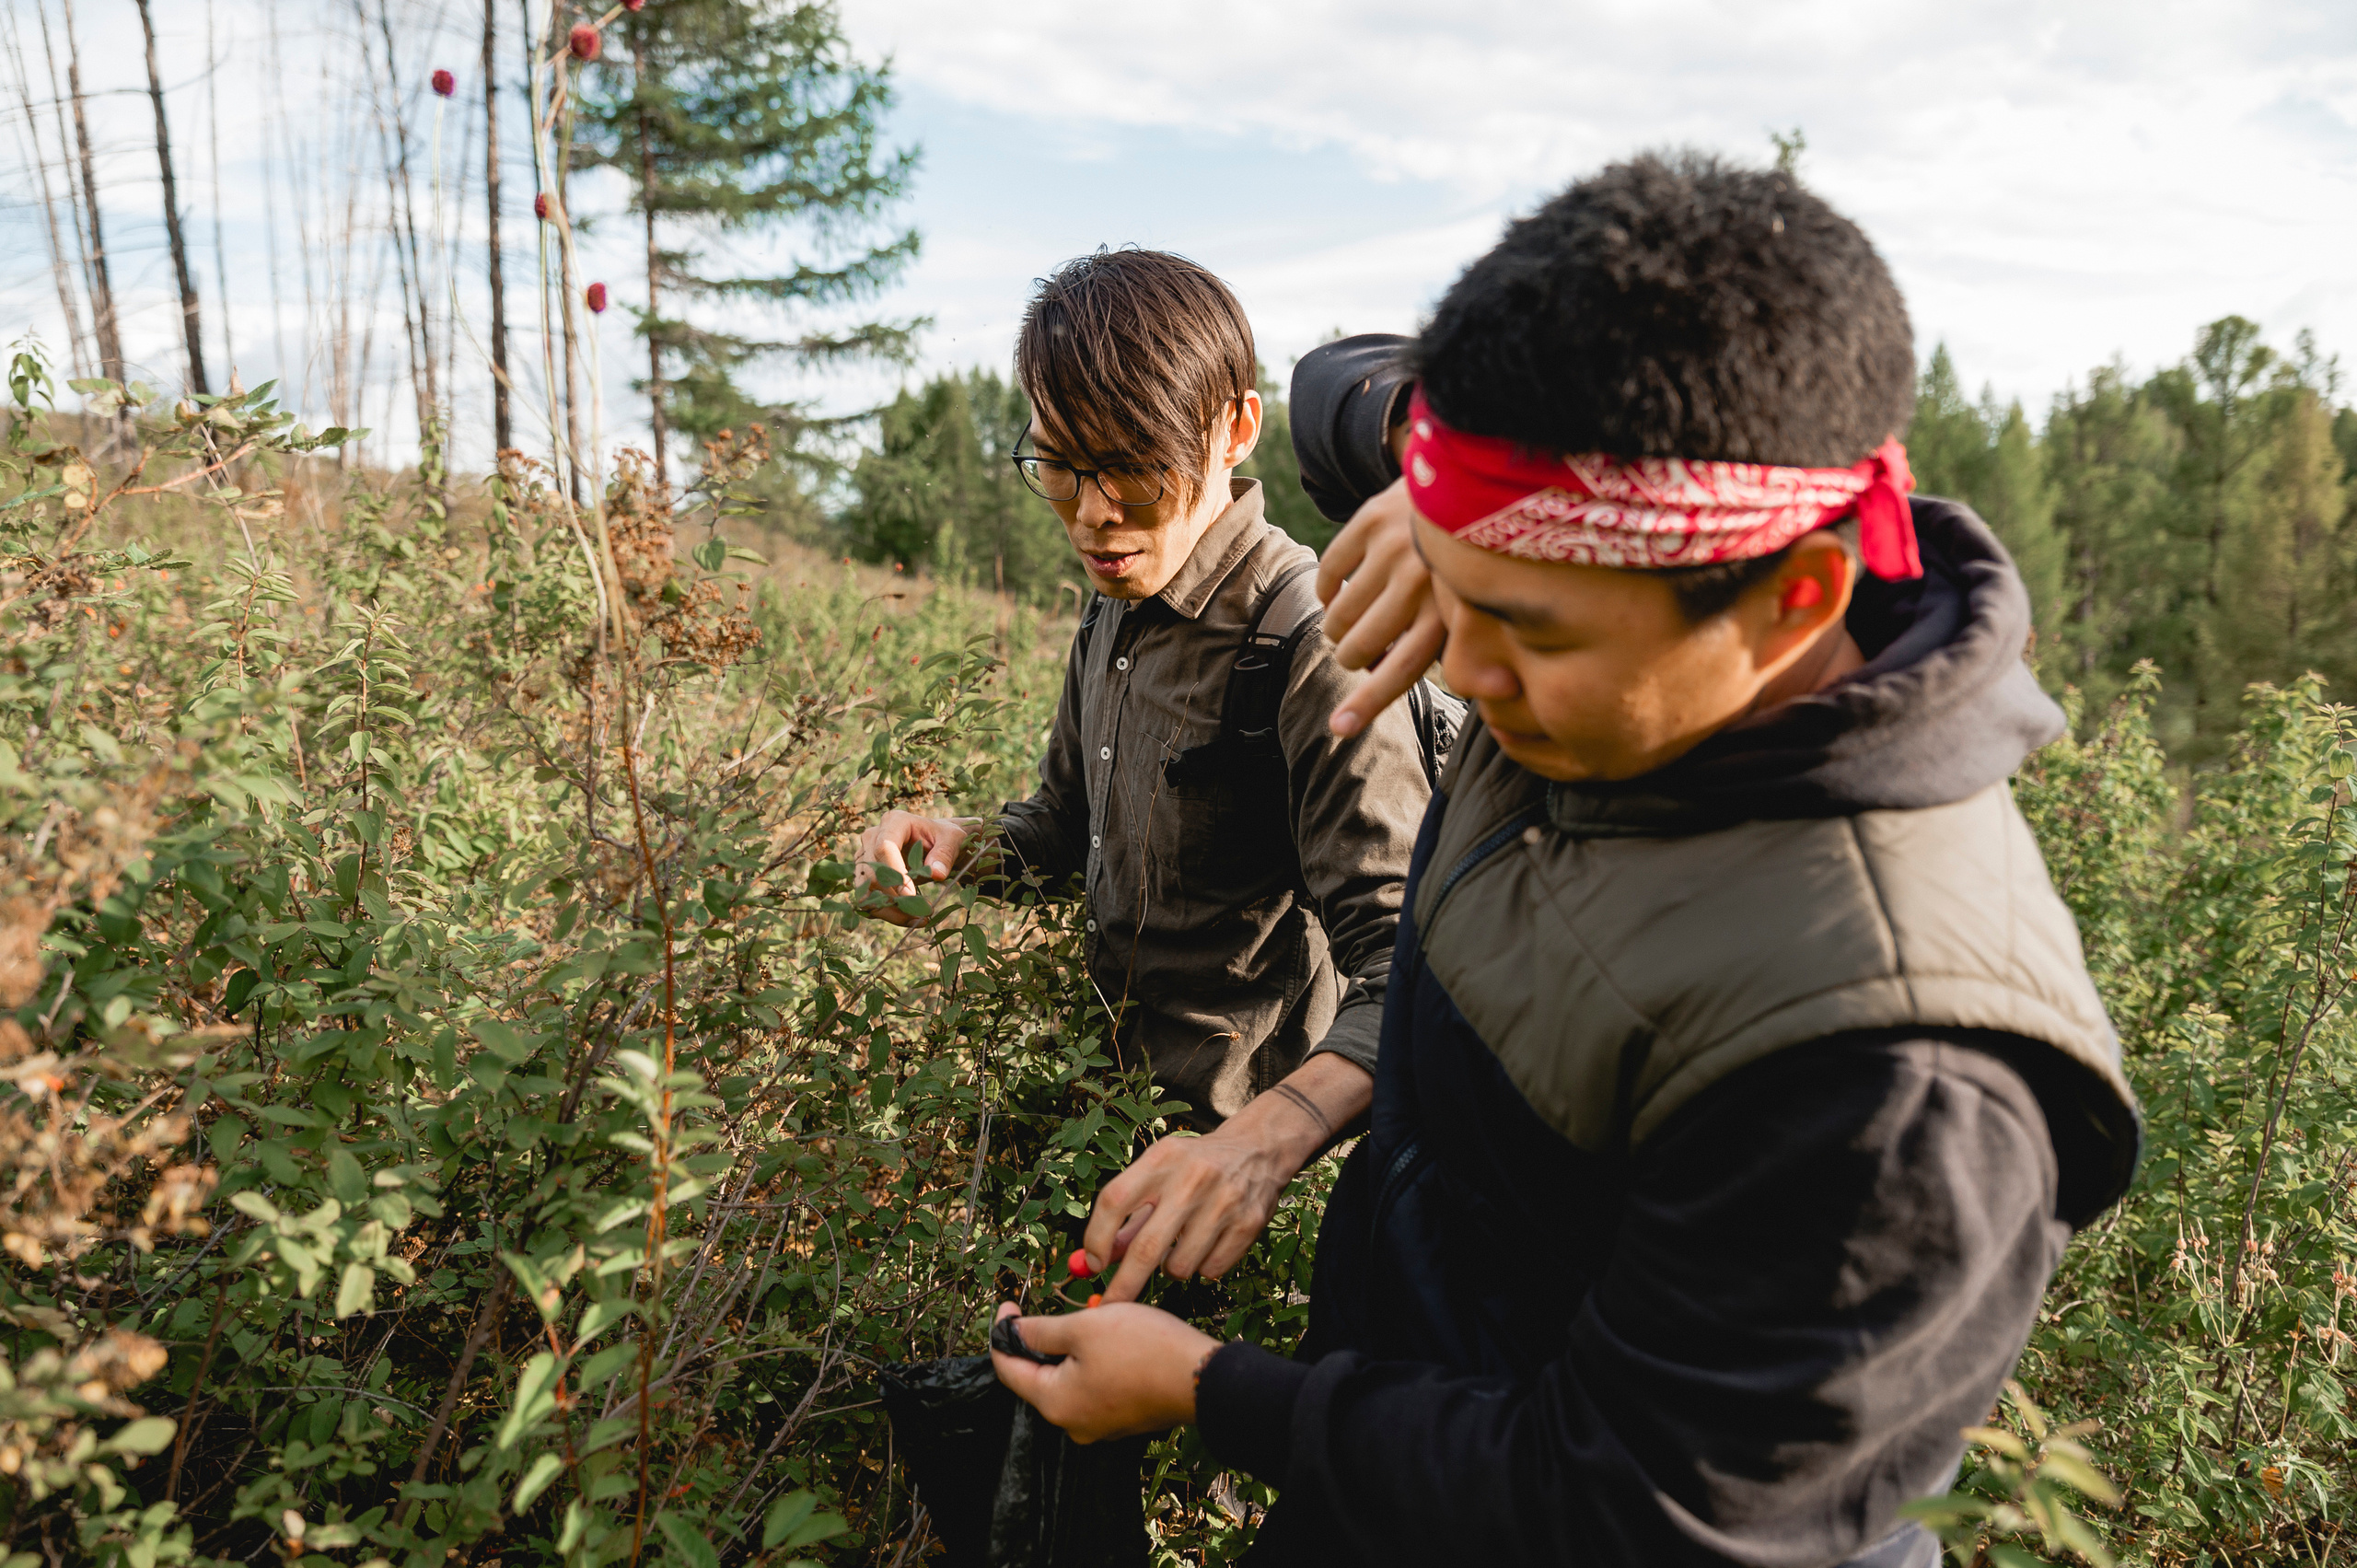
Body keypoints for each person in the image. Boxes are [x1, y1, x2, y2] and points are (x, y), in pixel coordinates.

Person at [987, 154, 2142, 1568]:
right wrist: (1454, 499)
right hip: (1397, 1441)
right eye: (1450, 589)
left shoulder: (1894, 1069)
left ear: (1793, 599)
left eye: (1529, 628)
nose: (1456, 669)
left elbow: (1617, 1502)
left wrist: (1212, 1388)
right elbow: (1332, 388)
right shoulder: (1603, 606)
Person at [853, 249, 1433, 1291]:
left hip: (1239, 1199)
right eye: (1058, 466)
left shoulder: (1309, 640)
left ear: (1237, 429)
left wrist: (1258, 1150)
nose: (1092, 512)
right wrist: (961, 849)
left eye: (1130, 464)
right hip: (1103, 1136)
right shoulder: (1115, 597)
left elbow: (1409, 971)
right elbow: (1066, 828)